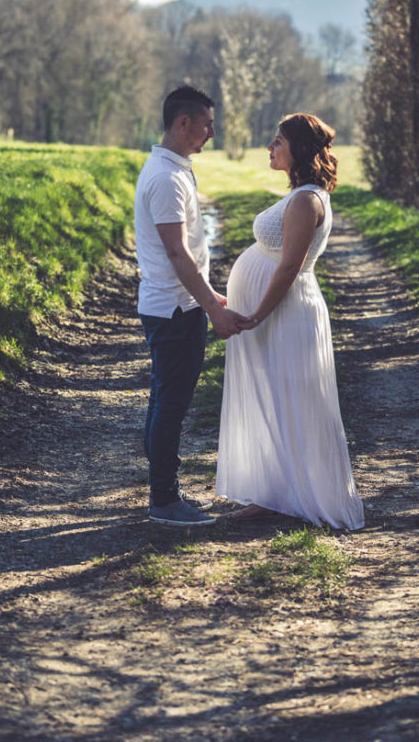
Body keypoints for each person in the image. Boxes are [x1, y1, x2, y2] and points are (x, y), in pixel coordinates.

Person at [216, 112, 365, 530]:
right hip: (278, 312)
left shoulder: (305, 200)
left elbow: (288, 268)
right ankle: (274, 493)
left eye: (278, 141)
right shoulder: (302, 193)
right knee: (273, 395)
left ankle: (293, 496)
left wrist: (258, 314)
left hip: (285, 313)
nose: (270, 148)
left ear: (298, 149)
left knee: (289, 399)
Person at [135, 85, 246, 527]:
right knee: (171, 404)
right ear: (183, 123)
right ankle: (164, 499)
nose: (212, 134)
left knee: (164, 397)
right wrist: (213, 311)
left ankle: (161, 490)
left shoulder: (172, 168)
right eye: (207, 124)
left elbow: (188, 253)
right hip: (175, 310)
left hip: (176, 304)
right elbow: (177, 254)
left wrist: (210, 296)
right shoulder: (165, 177)